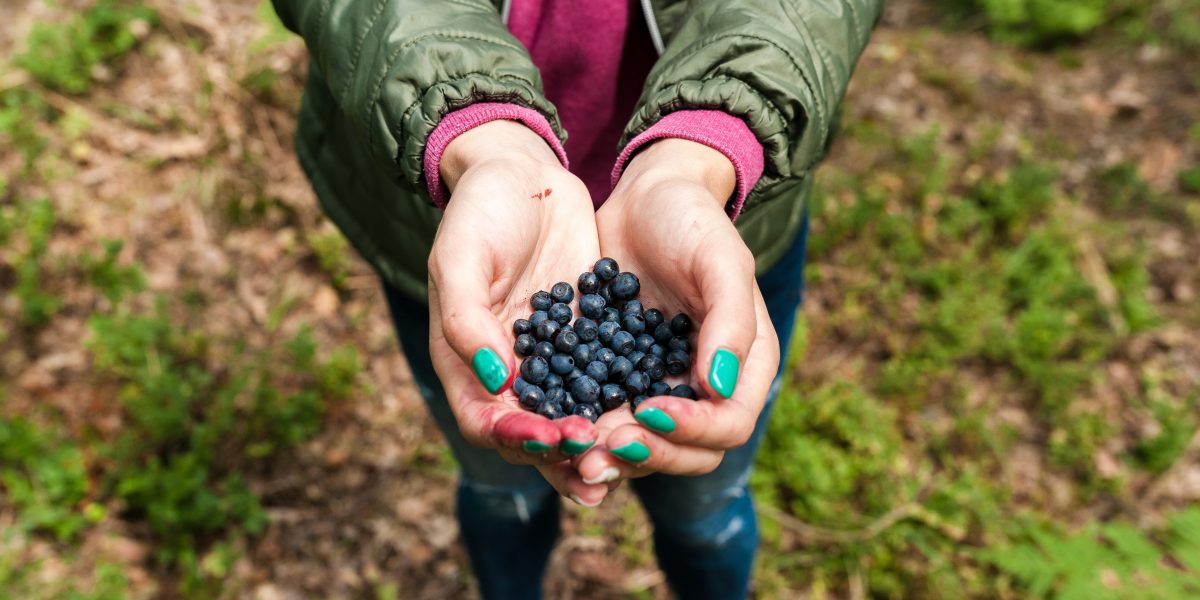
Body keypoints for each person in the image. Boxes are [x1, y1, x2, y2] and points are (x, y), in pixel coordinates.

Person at [271, 0, 882, 597]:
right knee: (502, 488)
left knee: (705, 504)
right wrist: (477, 135)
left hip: (714, 227)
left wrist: (711, 140)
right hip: (467, 246)